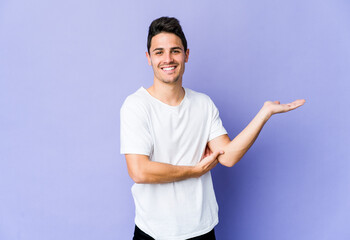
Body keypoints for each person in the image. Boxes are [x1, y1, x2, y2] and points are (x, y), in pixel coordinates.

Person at [120, 16, 305, 240]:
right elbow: (139, 171)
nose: (167, 59)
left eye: (175, 51)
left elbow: (227, 157)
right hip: (153, 232)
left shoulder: (203, 104)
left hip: (202, 229)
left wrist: (264, 114)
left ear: (186, 55)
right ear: (148, 58)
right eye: (159, 52)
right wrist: (194, 171)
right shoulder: (136, 105)